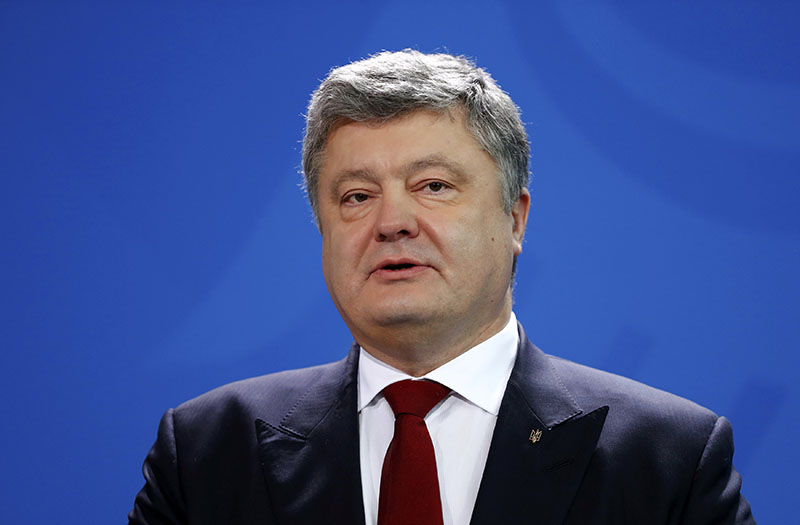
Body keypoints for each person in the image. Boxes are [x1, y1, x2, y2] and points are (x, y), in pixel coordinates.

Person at [130, 50, 754, 524]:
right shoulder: (208, 453)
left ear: (515, 218)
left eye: (434, 186)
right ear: (322, 230)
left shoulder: (667, 460)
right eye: (356, 196)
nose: (392, 222)